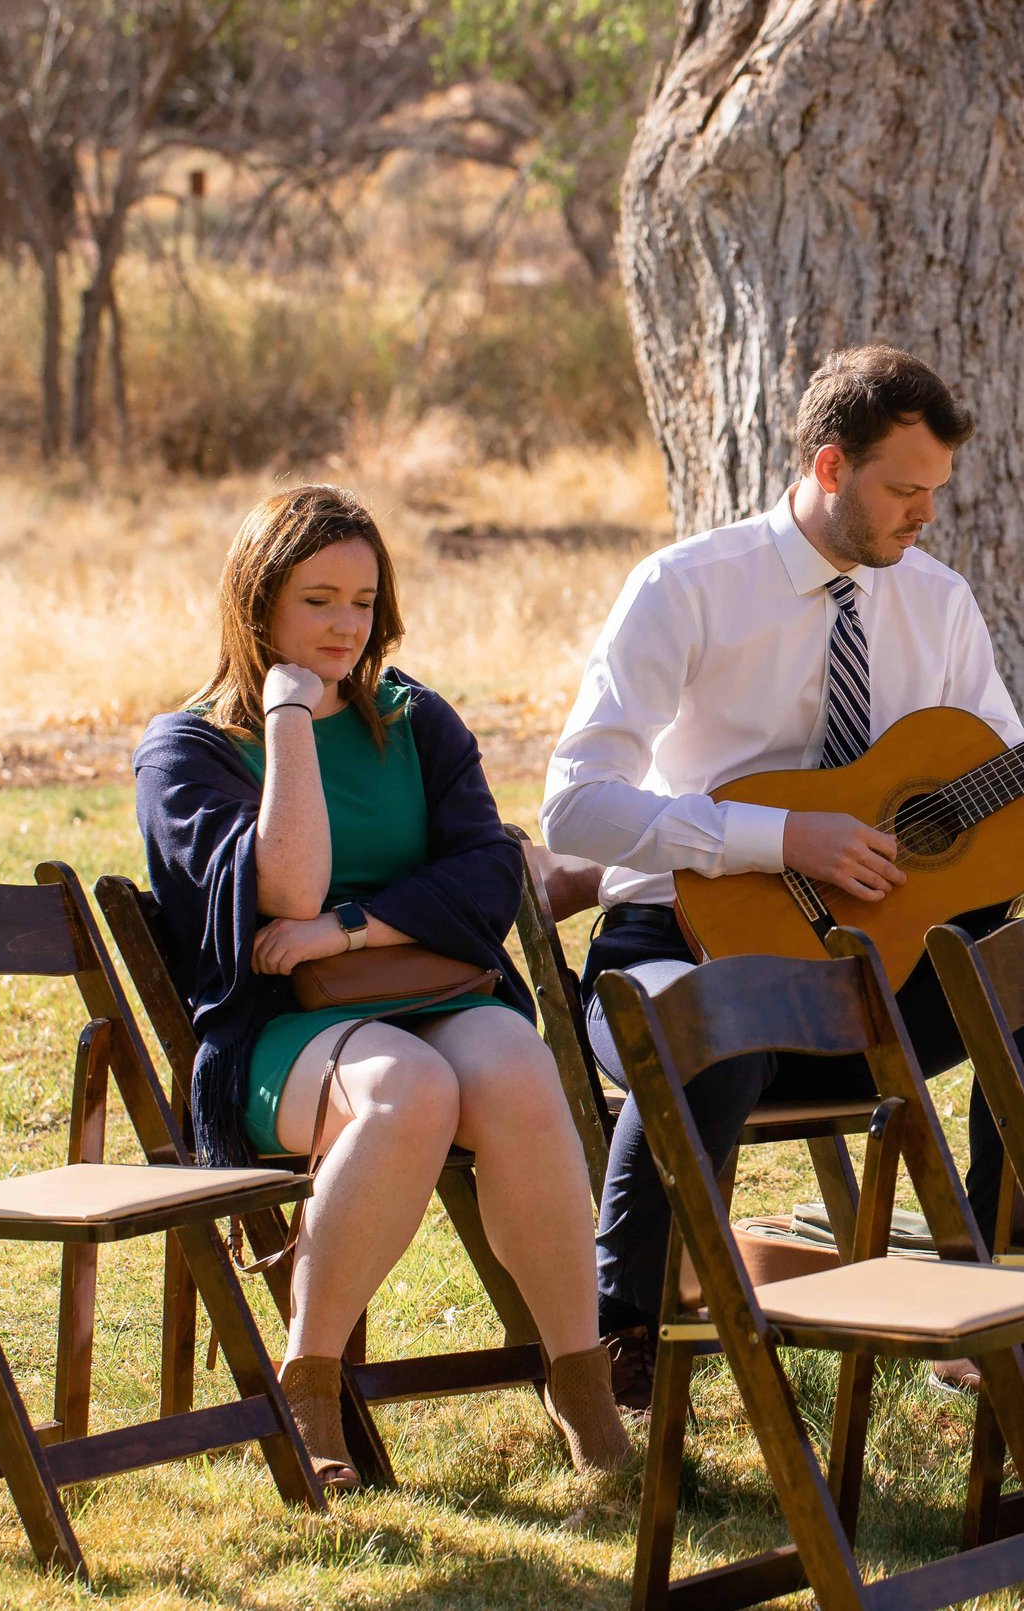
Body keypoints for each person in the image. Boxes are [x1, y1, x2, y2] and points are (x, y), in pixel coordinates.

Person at [542, 346, 1024, 1413]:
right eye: (903, 489)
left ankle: (990, 1293)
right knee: (713, 1019)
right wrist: (776, 837)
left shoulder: (938, 601)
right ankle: (625, 1341)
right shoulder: (686, 587)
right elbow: (575, 805)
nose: (924, 515)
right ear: (830, 466)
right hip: (678, 943)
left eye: (936, 491)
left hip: (869, 978)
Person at [134, 484, 628, 1489]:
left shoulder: (418, 719)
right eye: (319, 599)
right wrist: (287, 720)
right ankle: (309, 1380)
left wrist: (346, 927)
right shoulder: (183, 750)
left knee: (523, 1073)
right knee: (407, 1087)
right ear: (256, 602)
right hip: (279, 1034)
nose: (346, 625)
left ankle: (579, 1378)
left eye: (362, 601)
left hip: (434, 987)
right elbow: (286, 883)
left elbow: (487, 874)